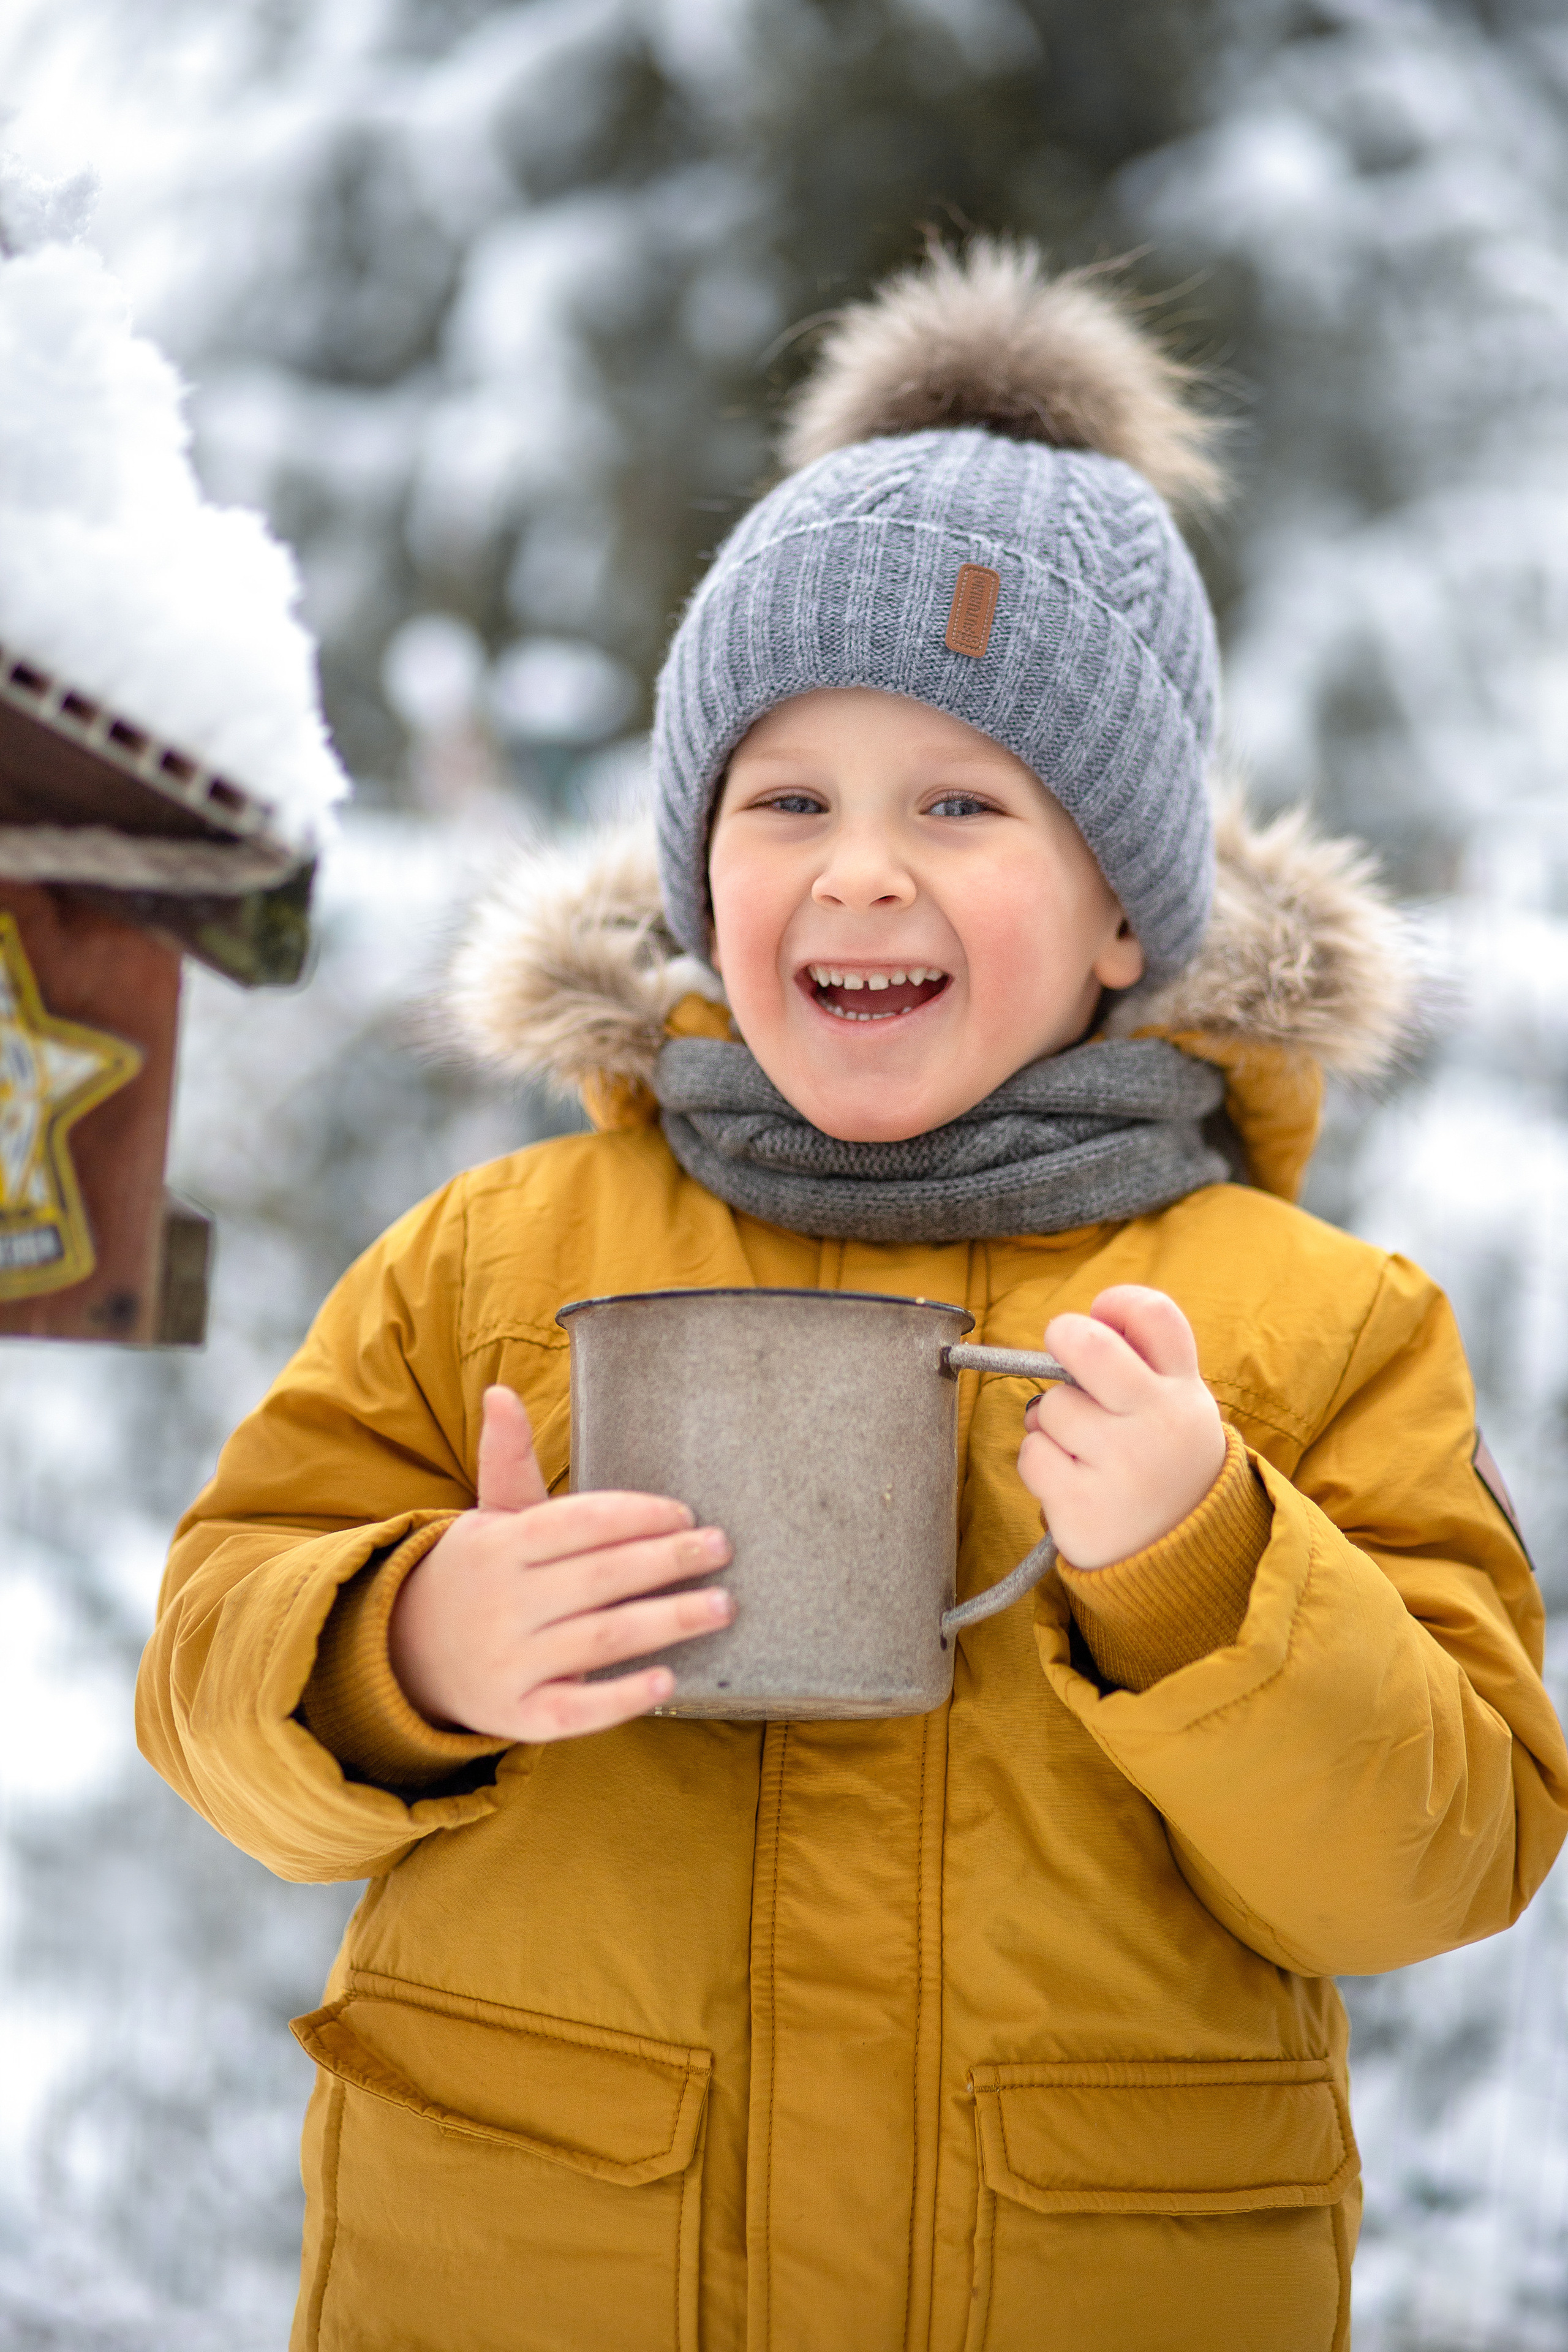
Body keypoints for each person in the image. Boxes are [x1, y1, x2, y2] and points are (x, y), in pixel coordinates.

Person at [137, 241, 1568, 2352]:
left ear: (1120, 921)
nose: (859, 869)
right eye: (785, 799)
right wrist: (403, 1645)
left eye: (962, 807)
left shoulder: (1308, 1325)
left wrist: (1204, 1571)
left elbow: (1434, 1865)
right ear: (703, 870)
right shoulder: (498, 1263)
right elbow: (207, 1677)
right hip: (534, 2266)